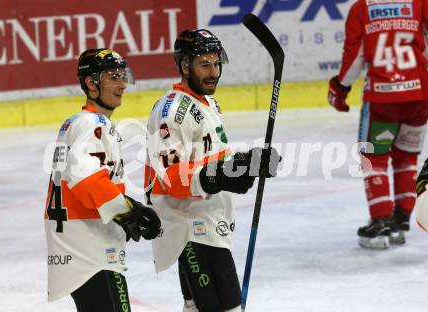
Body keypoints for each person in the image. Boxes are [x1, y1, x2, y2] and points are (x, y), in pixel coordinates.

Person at [144, 29, 280, 312]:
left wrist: (250, 163)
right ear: (184, 66)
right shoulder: (171, 111)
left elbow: (215, 158)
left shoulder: (206, 102)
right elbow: (172, 178)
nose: (214, 71)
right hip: (189, 226)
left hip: (209, 221)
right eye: (204, 64)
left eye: (216, 63)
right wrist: (224, 175)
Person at [44, 48, 161, 312]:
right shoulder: (93, 124)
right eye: (112, 77)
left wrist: (123, 212)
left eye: (122, 76)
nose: (122, 84)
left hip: (77, 245)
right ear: (90, 83)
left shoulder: (75, 123)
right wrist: (131, 211)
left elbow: (88, 183)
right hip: (91, 251)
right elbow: (87, 182)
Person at [328, 0, 428, 249]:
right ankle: (401, 218)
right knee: (406, 157)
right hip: (420, 94)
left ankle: (381, 220)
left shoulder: (362, 8)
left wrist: (340, 88)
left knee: (373, 157)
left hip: (382, 98)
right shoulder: (420, 3)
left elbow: (355, 56)